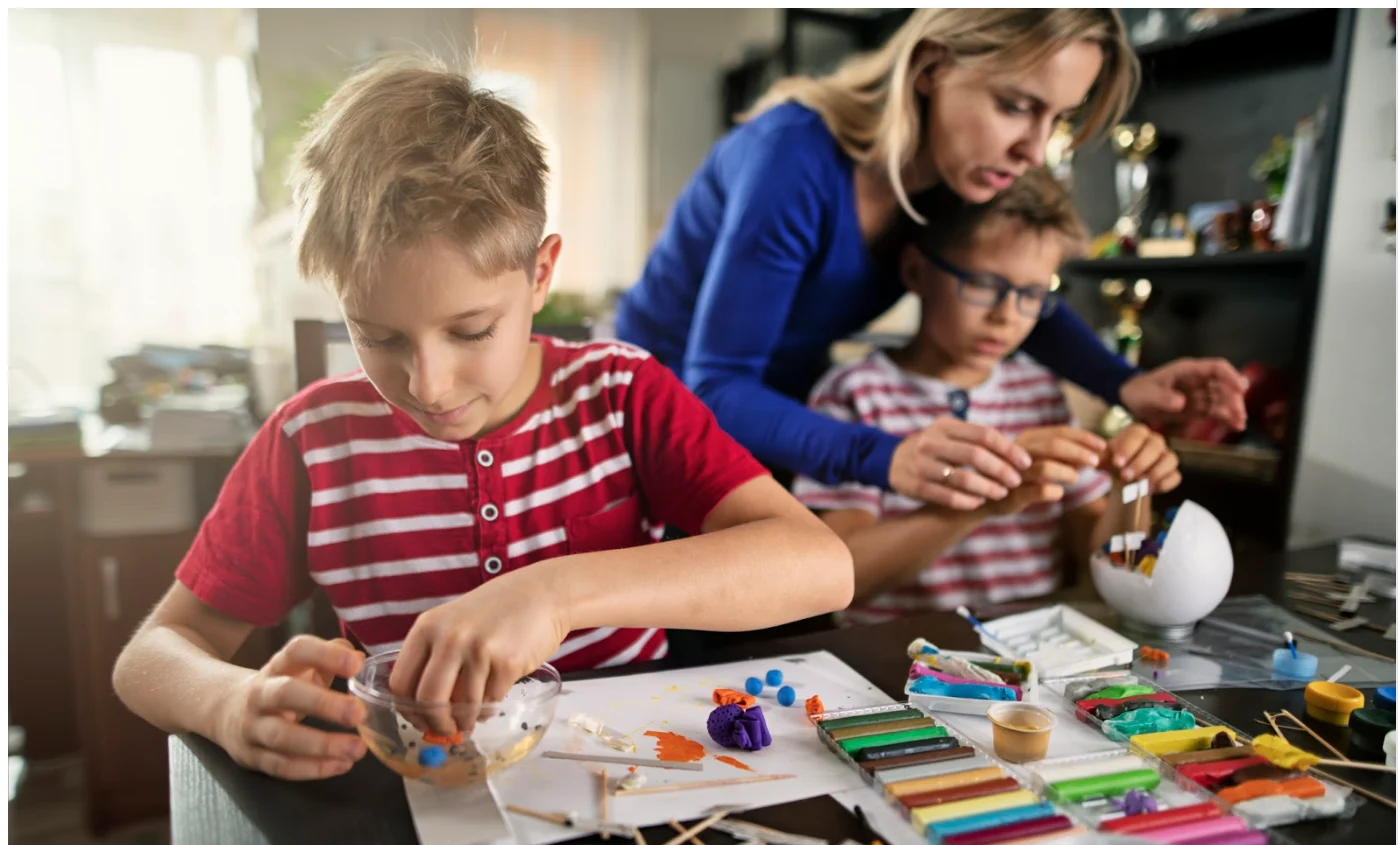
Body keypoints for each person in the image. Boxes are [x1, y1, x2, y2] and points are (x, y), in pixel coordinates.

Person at [111, 56, 854, 781]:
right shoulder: (312, 442)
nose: (428, 384)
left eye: (470, 331)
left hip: (631, 780)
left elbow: (821, 568)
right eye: (377, 336)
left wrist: (554, 592)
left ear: (539, 274)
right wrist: (226, 701)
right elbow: (152, 655)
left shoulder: (623, 394)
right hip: (419, 797)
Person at [615, 9, 1244, 511]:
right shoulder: (793, 158)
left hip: (775, 412)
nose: (1034, 149)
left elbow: (1020, 297)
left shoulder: (956, 175)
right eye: (1016, 105)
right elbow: (715, 385)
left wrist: (1124, 382)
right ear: (931, 69)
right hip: (647, 416)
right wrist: (887, 457)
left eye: (1058, 118)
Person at [792, 169, 1180, 625]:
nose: (1006, 317)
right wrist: (983, 498)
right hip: (896, 659)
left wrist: (1133, 486)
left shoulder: (1039, 393)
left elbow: (1111, 570)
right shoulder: (853, 394)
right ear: (916, 270)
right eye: (983, 285)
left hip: (1029, 655)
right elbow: (845, 576)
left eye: (1032, 294)